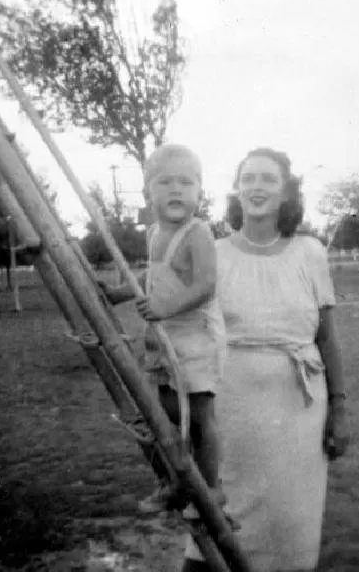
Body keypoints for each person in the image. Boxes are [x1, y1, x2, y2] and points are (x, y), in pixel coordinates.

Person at [182, 147, 350, 572]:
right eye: (249, 178)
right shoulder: (213, 253)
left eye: (268, 179)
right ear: (237, 190)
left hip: (299, 414)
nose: (257, 187)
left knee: (289, 522)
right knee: (219, 522)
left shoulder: (310, 252)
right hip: (230, 414)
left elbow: (327, 337)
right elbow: (186, 327)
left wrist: (341, 409)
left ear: (285, 193)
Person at [101, 144, 226, 516]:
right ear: (147, 192)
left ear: (199, 193)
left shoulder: (197, 233)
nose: (176, 190)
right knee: (166, 410)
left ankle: (213, 488)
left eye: (186, 183)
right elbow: (152, 277)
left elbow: (205, 285)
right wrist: (121, 294)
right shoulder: (155, 233)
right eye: (165, 181)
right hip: (164, 334)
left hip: (195, 334)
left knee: (200, 414)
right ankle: (180, 482)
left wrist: (164, 307)